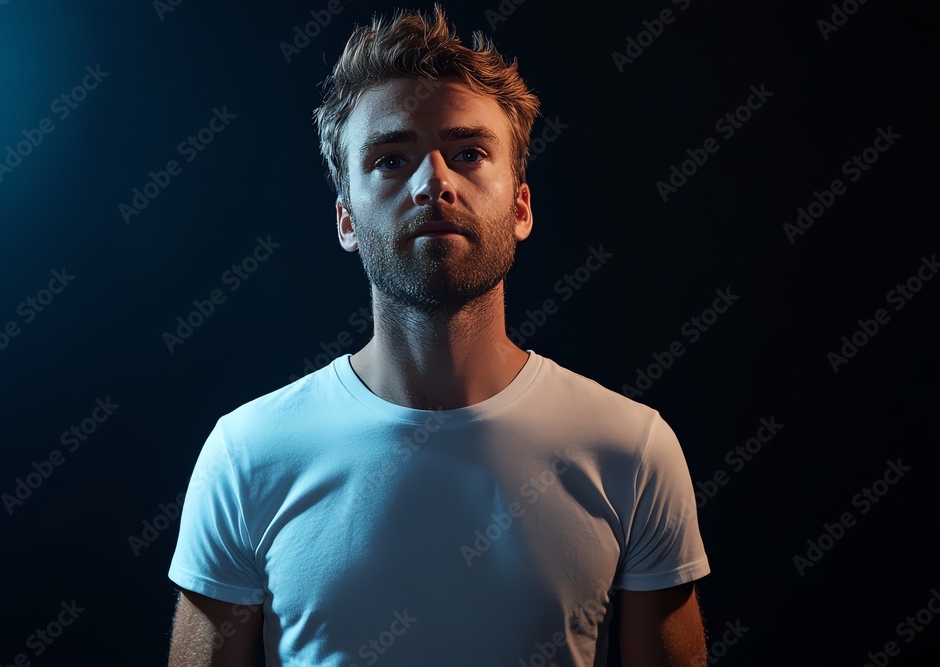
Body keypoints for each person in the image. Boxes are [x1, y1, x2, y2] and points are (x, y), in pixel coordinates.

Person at [167, 4, 710, 665]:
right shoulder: (248, 455)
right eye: (392, 159)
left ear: (519, 206)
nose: (433, 183)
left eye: (469, 153)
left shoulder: (631, 447)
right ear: (345, 218)